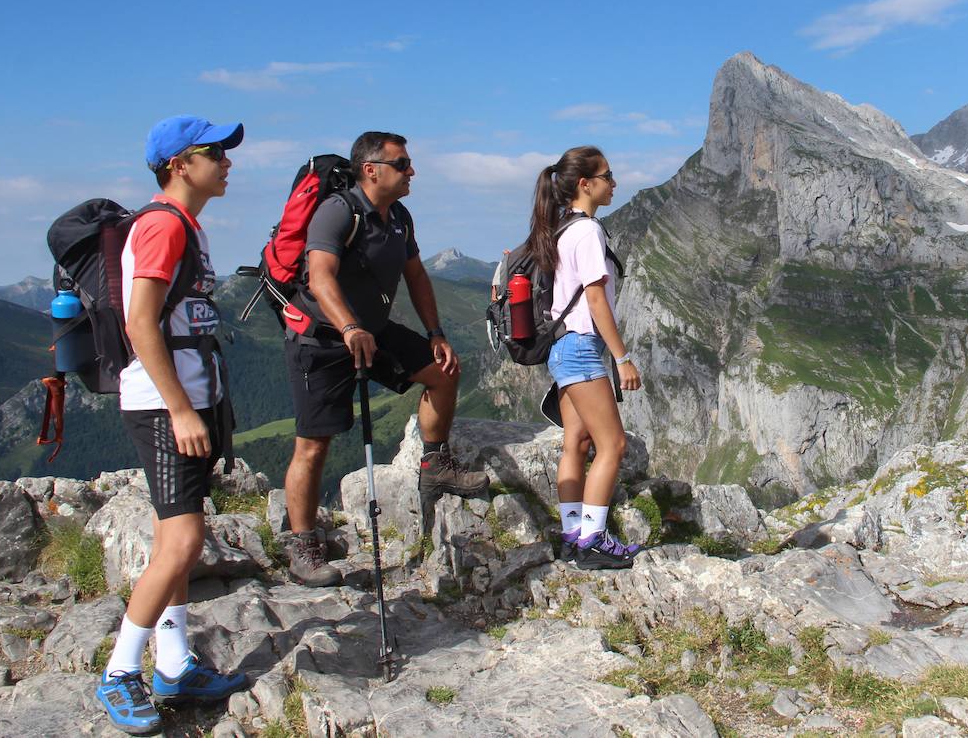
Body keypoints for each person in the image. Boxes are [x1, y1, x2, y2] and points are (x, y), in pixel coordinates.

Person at [280, 131, 488, 586]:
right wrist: (350, 328)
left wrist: (435, 333)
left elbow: (416, 275)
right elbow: (320, 277)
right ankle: (302, 543)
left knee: (443, 373)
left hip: (371, 331)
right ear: (371, 169)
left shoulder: (399, 217)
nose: (411, 171)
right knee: (313, 444)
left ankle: (434, 465)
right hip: (322, 338)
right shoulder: (337, 212)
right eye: (403, 163)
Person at [96, 115, 248, 735]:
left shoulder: (188, 227)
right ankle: (119, 672)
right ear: (180, 164)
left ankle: (175, 662)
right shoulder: (162, 226)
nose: (228, 162)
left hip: (187, 399)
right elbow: (140, 323)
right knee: (183, 541)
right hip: (165, 405)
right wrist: (182, 409)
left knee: (175, 539)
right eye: (216, 153)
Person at [529, 146, 642, 570]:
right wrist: (623, 357)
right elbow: (595, 299)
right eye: (608, 176)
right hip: (582, 347)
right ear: (585, 184)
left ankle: (573, 533)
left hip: (560, 348)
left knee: (575, 442)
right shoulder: (589, 232)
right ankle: (594, 539)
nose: (614, 183)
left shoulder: (561, 229)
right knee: (612, 443)